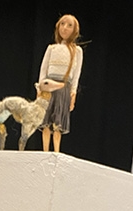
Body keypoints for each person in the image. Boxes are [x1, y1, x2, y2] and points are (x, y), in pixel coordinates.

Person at [37, 14, 83, 152]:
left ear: (75, 30)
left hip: (64, 87)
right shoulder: (52, 48)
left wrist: (73, 92)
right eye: (62, 24)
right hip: (49, 87)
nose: (65, 28)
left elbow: (76, 75)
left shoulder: (77, 51)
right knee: (46, 120)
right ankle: (45, 150)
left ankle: (56, 151)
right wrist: (40, 88)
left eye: (69, 25)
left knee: (58, 121)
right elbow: (43, 70)